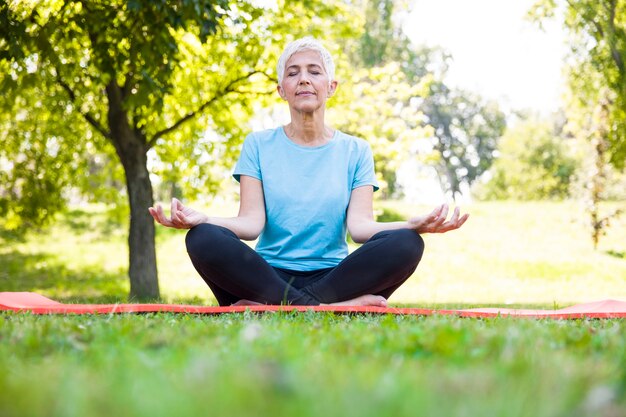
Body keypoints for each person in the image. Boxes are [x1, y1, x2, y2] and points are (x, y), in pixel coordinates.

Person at [149, 37, 468, 307]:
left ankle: (278, 307)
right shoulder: (258, 144)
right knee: (202, 238)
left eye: (314, 72)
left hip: (334, 278)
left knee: (408, 244)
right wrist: (200, 219)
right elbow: (250, 224)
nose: (303, 79)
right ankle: (332, 308)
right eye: (293, 73)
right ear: (281, 90)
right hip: (265, 275)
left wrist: (413, 225)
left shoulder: (356, 150)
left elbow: (359, 228)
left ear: (330, 87)